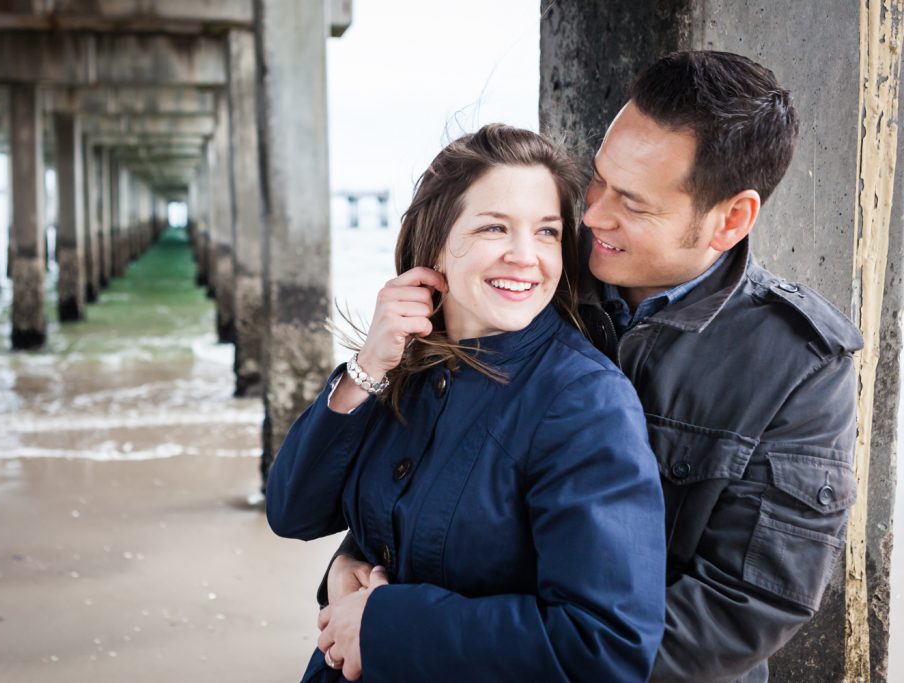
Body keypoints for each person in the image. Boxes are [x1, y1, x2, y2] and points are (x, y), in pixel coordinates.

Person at [323, 51, 862, 683]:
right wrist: (359, 561)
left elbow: (745, 606)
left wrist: (452, 645)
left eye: (632, 203)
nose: (591, 214)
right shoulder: (532, 269)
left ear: (731, 219)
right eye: (597, 178)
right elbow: (431, 442)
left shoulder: (799, 364)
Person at [266, 124, 667, 682]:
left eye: (547, 232)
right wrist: (366, 370)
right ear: (434, 243)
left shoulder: (584, 402)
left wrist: (383, 622)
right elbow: (292, 512)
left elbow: (603, 647)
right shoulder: (404, 362)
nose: (526, 257)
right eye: (494, 227)